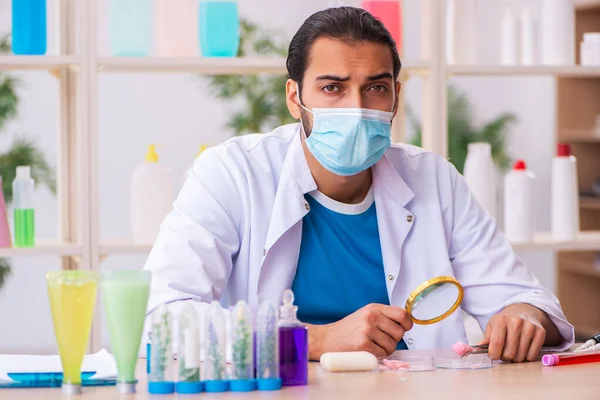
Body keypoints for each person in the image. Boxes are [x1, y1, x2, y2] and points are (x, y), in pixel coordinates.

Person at [143, 6, 573, 363]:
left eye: (375, 88)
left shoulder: (433, 178)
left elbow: (527, 301)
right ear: (295, 98)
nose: (357, 107)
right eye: (332, 87)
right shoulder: (233, 172)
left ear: (396, 97)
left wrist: (523, 316)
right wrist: (317, 341)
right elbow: (161, 317)